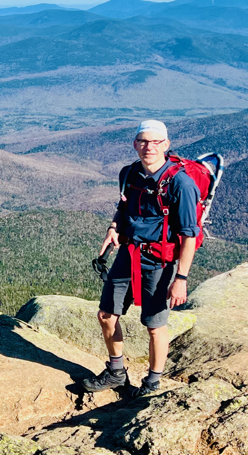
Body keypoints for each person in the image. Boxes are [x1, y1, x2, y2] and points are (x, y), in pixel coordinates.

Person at [83, 120, 200, 397]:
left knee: (155, 326)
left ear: (166, 145)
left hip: (160, 262)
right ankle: (116, 373)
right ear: (135, 144)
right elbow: (123, 208)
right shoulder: (129, 174)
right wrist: (113, 229)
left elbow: (189, 236)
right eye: (143, 141)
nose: (149, 147)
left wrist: (181, 279)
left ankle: (152, 385)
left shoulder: (180, 183)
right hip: (128, 253)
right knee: (106, 315)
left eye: (156, 142)